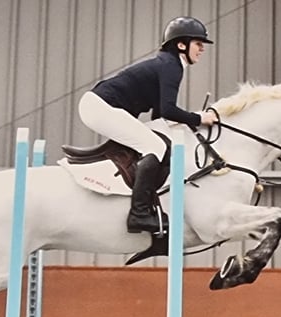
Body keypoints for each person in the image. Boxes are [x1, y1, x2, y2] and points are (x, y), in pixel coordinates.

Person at [78, 17, 217, 234]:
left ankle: (147, 206)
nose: (202, 49)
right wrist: (199, 119)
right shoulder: (171, 66)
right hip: (101, 107)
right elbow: (169, 111)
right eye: (198, 44)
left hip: (99, 106)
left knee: (159, 144)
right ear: (182, 45)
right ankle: (139, 214)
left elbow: (160, 114)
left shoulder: (166, 63)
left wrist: (189, 123)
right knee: (156, 147)